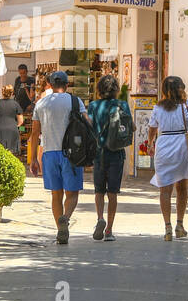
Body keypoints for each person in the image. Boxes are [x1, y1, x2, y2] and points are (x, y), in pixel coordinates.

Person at [147, 77, 188, 241]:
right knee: (182, 188)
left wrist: (150, 144)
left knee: (165, 190)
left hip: (163, 146)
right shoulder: (185, 106)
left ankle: (167, 228)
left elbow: (152, 128)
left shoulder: (158, 108)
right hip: (181, 146)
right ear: (181, 89)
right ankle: (180, 225)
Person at [29, 70, 92, 244]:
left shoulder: (41, 104)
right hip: (71, 154)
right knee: (72, 194)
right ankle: (65, 217)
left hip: (49, 153)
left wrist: (33, 159)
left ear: (49, 84)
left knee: (56, 195)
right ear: (66, 84)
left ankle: (59, 230)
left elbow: (35, 133)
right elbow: (87, 123)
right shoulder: (74, 101)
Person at [86, 74, 132, 241]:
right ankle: (109, 230)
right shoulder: (123, 105)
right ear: (116, 90)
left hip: (99, 153)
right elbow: (131, 127)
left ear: (99, 89)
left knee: (99, 191)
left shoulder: (93, 106)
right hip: (117, 153)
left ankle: (100, 218)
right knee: (113, 192)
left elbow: (89, 127)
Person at [0, 84, 25, 157]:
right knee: (11, 153)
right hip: (13, 129)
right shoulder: (16, 104)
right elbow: (21, 121)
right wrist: (16, 126)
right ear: (12, 93)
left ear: (2, 92)